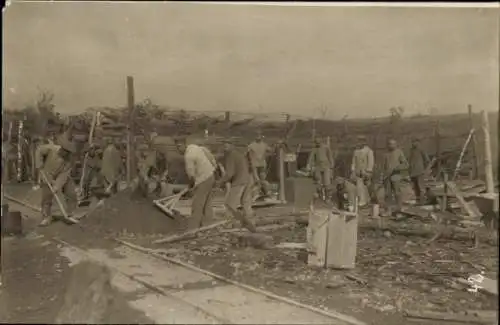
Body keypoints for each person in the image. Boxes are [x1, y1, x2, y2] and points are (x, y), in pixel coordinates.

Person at [174, 135, 217, 229]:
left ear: (183, 145)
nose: (178, 149)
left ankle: (193, 228)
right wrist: (214, 166)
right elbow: (208, 153)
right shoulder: (194, 147)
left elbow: (191, 175)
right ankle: (208, 225)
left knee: (197, 204)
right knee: (207, 203)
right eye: (176, 147)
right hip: (211, 175)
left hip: (203, 179)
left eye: (179, 147)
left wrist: (191, 186)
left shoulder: (188, 156)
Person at [38, 136, 77, 226]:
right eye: (65, 151)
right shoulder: (51, 149)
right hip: (47, 174)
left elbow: (63, 175)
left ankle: (70, 213)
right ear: (62, 149)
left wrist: (56, 186)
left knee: (71, 193)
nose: (67, 154)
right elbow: (38, 151)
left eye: (69, 153)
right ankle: (46, 217)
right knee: (47, 197)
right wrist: (39, 164)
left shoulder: (68, 161)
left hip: (60, 176)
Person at [216, 140, 254, 225]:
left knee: (230, 204)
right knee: (246, 202)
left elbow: (230, 173)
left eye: (227, 145)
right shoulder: (239, 154)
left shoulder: (231, 156)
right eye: (224, 145)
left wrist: (220, 182)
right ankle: (250, 221)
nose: (225, 147)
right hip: (247, 179)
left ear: (232, 145)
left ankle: (229, 222)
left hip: (239, 181)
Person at [381, 138, 409, 215]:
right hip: (387, 176)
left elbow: (405, 164)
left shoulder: (399, 152)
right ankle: (388, 210)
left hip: (396, 175)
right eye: (389, 144)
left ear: (396, 145)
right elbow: (383, 166)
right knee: (387, 193)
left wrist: (397, 168)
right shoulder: (385, 154)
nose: (391, 145)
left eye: (393, 144)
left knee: (397, 192)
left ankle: (398, 209)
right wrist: (383, 175)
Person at [351, 135, 375, 207]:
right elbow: (353, 162)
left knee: (366, 186)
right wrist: (353, 170)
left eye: (362, 141)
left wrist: (368, 171)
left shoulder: (369, 151)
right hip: (358, 171)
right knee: (359, 186)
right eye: (359, 141)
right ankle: (362, 201)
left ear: (364, 142)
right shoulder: (356, 151)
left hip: (365, 171)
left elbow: (371, 162)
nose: (360, 143)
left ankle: (367, 200)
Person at [409, 137, 430, 205]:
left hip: (420, 171)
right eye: (412, 142)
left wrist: (425, 169)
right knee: (415, 188)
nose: (413, 143)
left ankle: (422, 202)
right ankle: (418, 201)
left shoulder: (421, 149)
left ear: (418, 142)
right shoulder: (411, 150)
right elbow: (410, 161)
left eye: (415, 142)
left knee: (421, 188)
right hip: (413, 172)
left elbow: (427, 160)